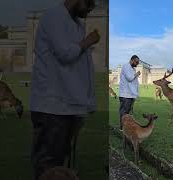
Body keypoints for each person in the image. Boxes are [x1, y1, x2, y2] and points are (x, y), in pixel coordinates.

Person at [29, 0, 100, 179]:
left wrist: (87, 102)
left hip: (67, 105)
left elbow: (78, 65)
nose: (92, 8)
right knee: (49, 169)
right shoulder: (54, 16)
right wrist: (88, 41)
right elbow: (65, 54)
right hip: (51, 107)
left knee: (62, 168)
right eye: (89, 3)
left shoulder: (76, 24)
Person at [118, 55, 141, 129]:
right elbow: (129, 78)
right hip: (125, 95)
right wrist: (137, 74)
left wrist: (135, 94)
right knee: (124, 113)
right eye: (136, 62)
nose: (137, 64)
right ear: (132, 60)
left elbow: (133, 82)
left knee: (127, 113)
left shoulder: (132, 69)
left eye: (138, 62)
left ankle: (126, 128)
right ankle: (122, 128)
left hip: (130, 94)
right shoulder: (126, 66)